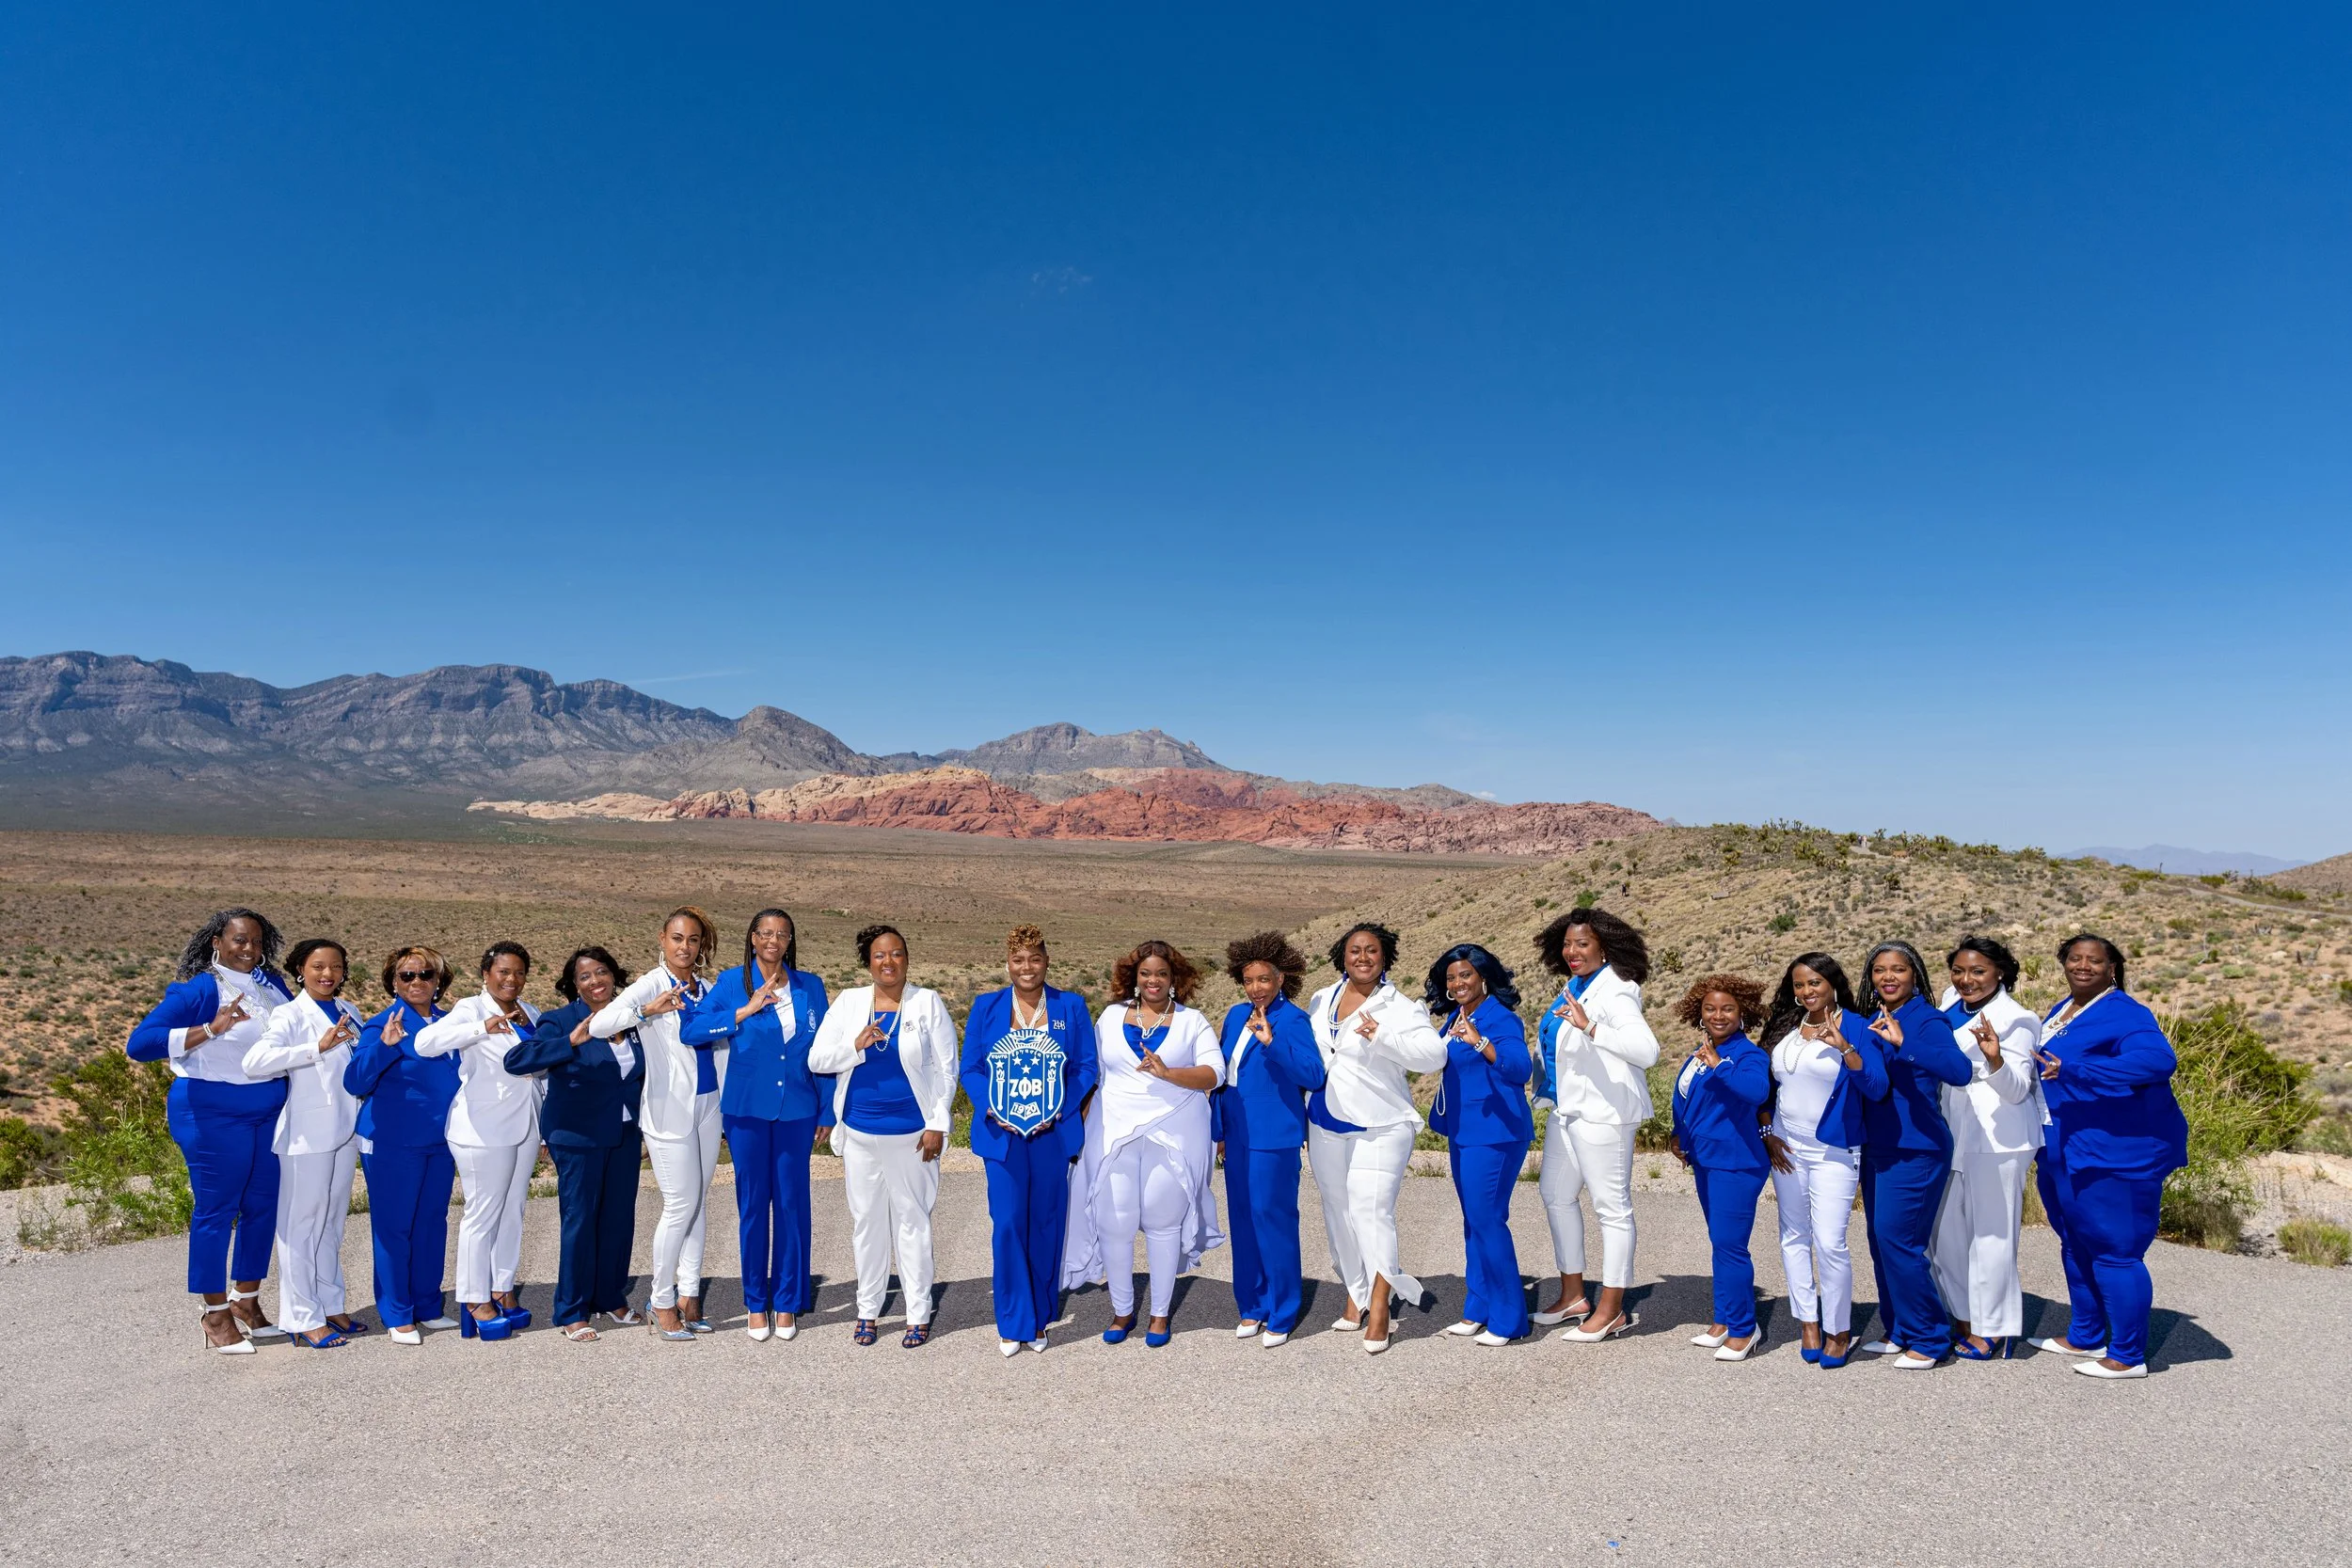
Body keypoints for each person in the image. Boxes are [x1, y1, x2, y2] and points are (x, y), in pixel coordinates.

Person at [127, 909, 296, 1354]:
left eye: (258, 942)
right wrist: (209, 1029)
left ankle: (247, 1301)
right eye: (240, 940)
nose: (250, 950)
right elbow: (140, 1044)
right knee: (217, 1210)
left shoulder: (271, 986)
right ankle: (214, 1312)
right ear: (217, 942)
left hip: (270, 1109)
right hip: (211, 1110)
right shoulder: (200, 987)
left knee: (263, 1206)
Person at [2026, 934, 2187, 1380]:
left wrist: (2079, 1069)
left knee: (2116, 1251)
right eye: (2074, 959)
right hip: (2064, 1145)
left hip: (2114, 1152)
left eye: (2094, 960)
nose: (2083, 966)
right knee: (2076, 1241)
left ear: (2112, 968)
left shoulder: (2127, 1013)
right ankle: (2085, 1332)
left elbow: (2158, 1061)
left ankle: (2128, 1354)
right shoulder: (2065, 1008)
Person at [1064, 941, 1224, 1349]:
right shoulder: (1111, 1017)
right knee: (1114, 1223)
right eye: (1146, 974)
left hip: (1171, 1133)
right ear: (1134, 978)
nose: (1153, 981)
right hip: (1113, 1133)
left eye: (1162, 974)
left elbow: (1214, 1074)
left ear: (1175, 980)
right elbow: (1091, 1072)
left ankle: (1159, 1315)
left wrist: (1169, 1073)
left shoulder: (1192, 1022)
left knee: (1162, 1222)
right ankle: (1122, 1310)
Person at [685, 910, 834, 1341]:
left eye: (781, 934)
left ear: (790, 940)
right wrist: (745, 1010)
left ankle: (786, 1302)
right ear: (752, 939)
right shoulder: (732, 983)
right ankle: (755, 1302)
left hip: (799, 1110)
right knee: (753, 1206)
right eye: (765, 933)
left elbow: (822, 1052)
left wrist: (825, 1110)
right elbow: (691, 1029)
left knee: (791, 1205)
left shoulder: (810, 987)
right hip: (747, 1109)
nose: (773, 940)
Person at [808, 925, 958, 1348]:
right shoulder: (851, 1003)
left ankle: (917, 1312)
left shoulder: (927, 1003)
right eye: (879, 955)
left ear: (907, 959)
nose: (888, 962)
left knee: (913, 1223)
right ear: (867, 962)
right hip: (859, 1134)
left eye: (896, 954)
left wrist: (938, 1123)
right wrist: (854, 1046)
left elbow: (947, 1070)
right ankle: (868, 1311)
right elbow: (818, 1059)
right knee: (868, 1225)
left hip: (913, 1135)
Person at [1306, 922, 1447, 1354]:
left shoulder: (1400, 1007)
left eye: (1371, 951)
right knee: (1339, 1214)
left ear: (1385, 957)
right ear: (1342, 956)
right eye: (1354, 950)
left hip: (1382, 1124)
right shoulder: (1321, 998)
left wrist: (1381, 1035)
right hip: (1326, 1121)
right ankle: (1356, 1293)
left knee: (1371, 1212)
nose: (1362, 957)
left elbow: (1433, 1056)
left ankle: (1381, 1306)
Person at [958, 925, 1099, 1355]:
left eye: (1034, 959)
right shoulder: (987, 1007)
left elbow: (1086, 1068)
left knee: (1045, 1222)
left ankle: (1038, 1318)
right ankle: (1013, 1319)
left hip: (1051, 1134)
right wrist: (990, 1107)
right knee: (1008, 1223)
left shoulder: (1070, 1006)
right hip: (1002, 1135)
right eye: (1018, 960)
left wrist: (1059, 1105)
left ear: (1047, 961)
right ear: (1008, 964)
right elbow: (972, 1069)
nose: (1027, 967)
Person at [1528, 908, 1661, 1343]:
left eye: (1582, 943)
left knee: (1612, 1208)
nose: (1572, 951)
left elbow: (1647, 1050)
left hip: (1604, 1113)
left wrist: (1591, 1027)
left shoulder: (1618, 989)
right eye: (1567, 944)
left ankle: (1612, 1307)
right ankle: (1573, 1296)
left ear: (1603, 946)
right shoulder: (1574, 985)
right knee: (1556, 1194)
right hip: (1569, 1109)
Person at [591, 907, 723, 1339]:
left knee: (699, 1202)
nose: (686, 947)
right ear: (663, 940)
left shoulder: (707, 988)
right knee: (680, 1204)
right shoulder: (650, 983)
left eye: (694, 940)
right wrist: (647, 1010)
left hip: (707, 1106)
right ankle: (660, 1299)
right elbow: (601, 1024)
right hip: (668, 1111)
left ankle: (689, 1295)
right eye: (678, 938)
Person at [505, 947, 647, 1342]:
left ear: (614, 977)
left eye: (601, 972)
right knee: (580, 1221)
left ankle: (610, 1296)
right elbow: (518, 1060)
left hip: (623, 1133)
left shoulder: (631, 1021)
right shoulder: (559, 1020)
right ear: (574, 984)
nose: (595, 981)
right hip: (577, 1136)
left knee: (618, 1218)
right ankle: (571, 1308)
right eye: (585, 976)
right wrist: (569, 1040)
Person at [1757, 953, 1886, 1369]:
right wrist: (1768, 1133)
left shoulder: (1857, 1026)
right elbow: (1767, 1088)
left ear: (1832, 984)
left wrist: (1845, 1047)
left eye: (1815, 983)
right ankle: (1807, 1321)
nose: (1807, 991)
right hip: (1787, 1147)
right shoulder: (1784, 1029)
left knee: (1830, 1242)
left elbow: (1876, 1086)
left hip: (1835, 1150)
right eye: (1799, 985)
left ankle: (1839, 1328)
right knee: (1793, 1235)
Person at [240, 938, 367, 1349]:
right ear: (300, 970)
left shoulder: (350, 1012)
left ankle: (331, 1303)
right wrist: (315, 1047)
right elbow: (255, 1062)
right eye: (317, 967)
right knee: (300, 1227)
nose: (327, 974)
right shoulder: (289, 1014)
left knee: (331, 1223)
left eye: (335, 967)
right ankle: (301, 1316)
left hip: (345, 1131)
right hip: (306, 1136)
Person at [415, 942, 543, 1340]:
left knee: (512, 1210)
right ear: (486, 974)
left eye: (519, 972)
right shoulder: (470, 1009)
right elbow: (425, 1044)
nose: (512, 979)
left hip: (525, 1125)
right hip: (482, 1127)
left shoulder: (531, 1013)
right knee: (483, 1214)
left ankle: (501, 1287)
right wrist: (480, 1028)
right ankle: (473, 1298)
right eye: (503, 971)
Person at [1854, 940, 1972, 1369]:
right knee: (1880, 1242)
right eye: (1879, 970)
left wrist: (1906, 1044)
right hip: (1879, 1145)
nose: (1888, 977)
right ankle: (1900, 1328)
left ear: (1915, 975)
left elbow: (1960, 1071)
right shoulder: (1875, 1019)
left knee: (1899, 1241)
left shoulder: (1927, 1019)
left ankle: (1930, 1337)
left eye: (1898, 969)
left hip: (1917, 1148)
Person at [1932, 935, 2044, 1359]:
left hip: (1999, 1141)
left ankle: (1994, 1329)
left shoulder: (2017, 1019)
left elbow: (2017, 1090)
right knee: (1946, 1233)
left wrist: (1995, 1059)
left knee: (1992, 1236)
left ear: (2000, 973)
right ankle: (1962, 1316)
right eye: (1959, 970)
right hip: (1952, 1134)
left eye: (1978, 971)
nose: (1967, 979)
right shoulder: (1947, 1003)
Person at [344, 945, 462, 1344]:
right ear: (393, 982)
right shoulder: (383, 1025)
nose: (417, 982)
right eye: (406, 975)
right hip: (393, 1142)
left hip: (440, 1141)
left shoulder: (449, 1023)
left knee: (431, 1222)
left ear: (438, 981)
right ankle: (397, 1312)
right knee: (395, 1227)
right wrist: (385, 1047)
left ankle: (428, 1304)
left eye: (425, 974)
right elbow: (355, 1082)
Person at [1213, 931, 1325, 1348]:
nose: (1256, 987)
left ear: (1280, 979)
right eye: (1249, 980)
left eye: (1264, 979)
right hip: (1238, 1134)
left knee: (1272, 1220)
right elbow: (1224, 1078)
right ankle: (1252, 1305)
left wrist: (1272, 1043)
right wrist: (1219, 1132)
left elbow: (1313, 1075)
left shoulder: (1292, 1020)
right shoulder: (1235, 1014)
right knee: (1242, 1219)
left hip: (1274, 1137)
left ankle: (1282, 1309)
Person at [1424, 943, 1534, 1347]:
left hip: (1496, 1133)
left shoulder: (1500, 1019)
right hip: (1463, 1132)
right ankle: (1478, 1308)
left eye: (1465, 975)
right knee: (1474, 1220)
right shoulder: (1456, 1015)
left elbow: (1519, 1068)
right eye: (1451, 977)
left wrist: (1481, 1042)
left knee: (1487, 1220)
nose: (1457, 983)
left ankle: (1509, 1320)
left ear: (1483, 976)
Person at [1667, 974, 1772, 1362]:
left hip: (1737, 1163)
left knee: (1731, 1246)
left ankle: (1745, 1328)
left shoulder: (1748, 1055)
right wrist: (1680, 1137)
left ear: (1743, 1013)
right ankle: (1725, 1317)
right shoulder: (1700, 1052)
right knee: (1720, 1242)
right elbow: (1687, 1101)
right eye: (1710, 1008)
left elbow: (1756, 1092)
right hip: (1707, 1160)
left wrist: (1720, 1064)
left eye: (1727, 1008)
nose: (1718, 1015)